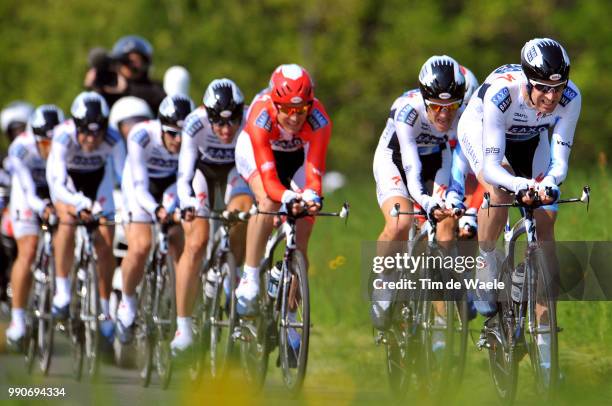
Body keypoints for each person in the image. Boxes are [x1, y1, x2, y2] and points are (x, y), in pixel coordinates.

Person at [457, 38, 580, 316]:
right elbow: (491, 167)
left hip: (531, 136)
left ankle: (544, 319)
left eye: (558, 89)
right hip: (483, 131)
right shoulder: (502, 93)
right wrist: (519, 184)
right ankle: (486, 261)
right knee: (500, 190)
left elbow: (559, 163)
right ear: (527, 81)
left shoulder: (572, 97)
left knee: (546, 219)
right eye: (543, 89)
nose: (551, 97)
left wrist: (548, 183)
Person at [370, 55, 468, 329]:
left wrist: (445, 197)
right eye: (436, 106)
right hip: (397, 161)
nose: (445, 114)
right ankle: (383, 283)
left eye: (452, 107)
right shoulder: (407, 110)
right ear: (425, 99)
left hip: (435, 163)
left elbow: (452, 158)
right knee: (400, 221)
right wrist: (424, 201)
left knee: (445, 222)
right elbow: (411, 166)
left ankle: (440, 319)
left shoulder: (464, 116)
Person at [234, 64, 331, 318]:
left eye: (301, 110)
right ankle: (249, 277)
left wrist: (310, 197)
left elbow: (314, 174)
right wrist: (288, 197)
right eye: (287, 110)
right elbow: (269, 181)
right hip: (259, 154)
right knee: (267, 202)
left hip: (296, 156)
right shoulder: (260, 116)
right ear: (275, 104)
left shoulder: (319, 119)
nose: (295, 117)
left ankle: (290, 317)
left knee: (304, 225)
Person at [171, 79, 252, 354]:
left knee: (241, 215)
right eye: (219, 123)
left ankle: (233, 276)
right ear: (208, 115)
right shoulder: (195, 123)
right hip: (201, 176)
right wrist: (188, 202)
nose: (227, 130)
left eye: (233, 122)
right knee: (196, 242)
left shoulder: (253, 119)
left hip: (235, 173)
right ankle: (183, 327)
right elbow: (183, 175)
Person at [46, 91, 126, 348]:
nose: (92, 139)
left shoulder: (113, 138)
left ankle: (104, 308)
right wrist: (78, 204)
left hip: (98, 184)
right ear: (76, 126)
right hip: (68, 185)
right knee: (67, 223)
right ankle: (61, 291)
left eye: (97, 133)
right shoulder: (62, 136)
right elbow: (57, 183)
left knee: (105, 239)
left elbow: (125, 176)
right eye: (86, 133)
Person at [115, 94, 194, 345]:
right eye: (172, 133)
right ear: (161, 127)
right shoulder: (141, 136)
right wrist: (156, 209)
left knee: (180, 243)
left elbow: (187, 180)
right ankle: (127, 302)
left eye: (183, 134)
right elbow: (139, 187)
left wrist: (175, 207)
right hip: (140, 186)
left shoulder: (191, 139)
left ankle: (176, 298)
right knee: (140, 246)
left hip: (171, 187)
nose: (179, 140)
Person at [4, 105, 63, 348]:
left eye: (53, 142)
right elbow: (28, 190)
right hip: (26, 196)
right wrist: (42, 208)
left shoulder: (66, 143)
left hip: (53, 191)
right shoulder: (20, 148)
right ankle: (17, 319)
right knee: (27, 250)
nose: (49, 148)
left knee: (66, 239)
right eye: (44, 143)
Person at [110, 35, 166, 112]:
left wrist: (127, 90)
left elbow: (159, 99)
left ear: (145, 62)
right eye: (125, 60)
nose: (130, 65)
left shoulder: (154, 88)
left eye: (134, 60)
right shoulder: (111, 85)